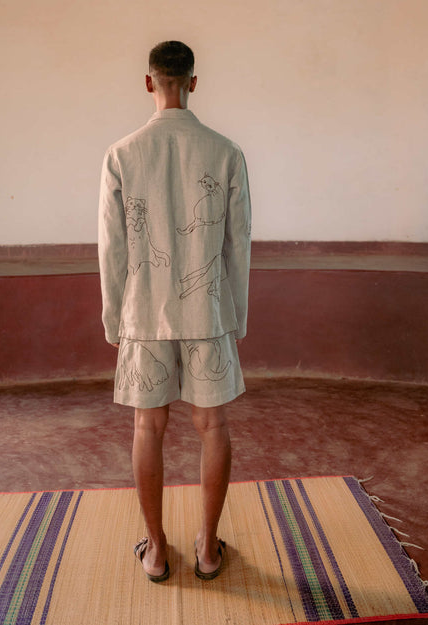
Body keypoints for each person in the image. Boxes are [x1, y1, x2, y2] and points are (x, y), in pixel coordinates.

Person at [98, 40, 251, 583]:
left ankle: (158, 551)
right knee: (213, 424)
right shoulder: (226, 152)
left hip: (145, 311)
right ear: (193, 82)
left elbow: (112, 247)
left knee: (148, 425)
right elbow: (238, 242)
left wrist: (114, 318)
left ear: (149, 82)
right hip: (207, 310)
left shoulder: (121, 154)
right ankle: (208, 549)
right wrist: (237, 315)